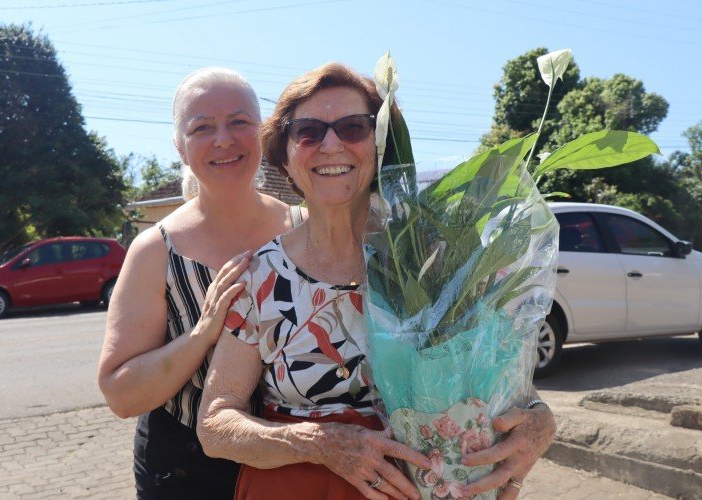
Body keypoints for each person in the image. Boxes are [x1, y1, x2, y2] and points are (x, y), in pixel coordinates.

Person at [197, 62, 556, 500]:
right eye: (308, 131)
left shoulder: (433, 258)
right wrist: (320, 443)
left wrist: (539, 420)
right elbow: (215, 424)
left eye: (353, 128)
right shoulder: (261, 276)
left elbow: (498, 377)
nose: (331, 144)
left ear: (381, 146)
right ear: (284, 156)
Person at [97, 67, 303, 499]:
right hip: (186, 471)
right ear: (180, 146)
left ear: (262, 131)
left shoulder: (303, 229)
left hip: (295, 461)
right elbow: (121, 394)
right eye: (202, 127)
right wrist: (202, 333)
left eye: (239, 122)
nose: (223, 139)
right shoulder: (156, 250)